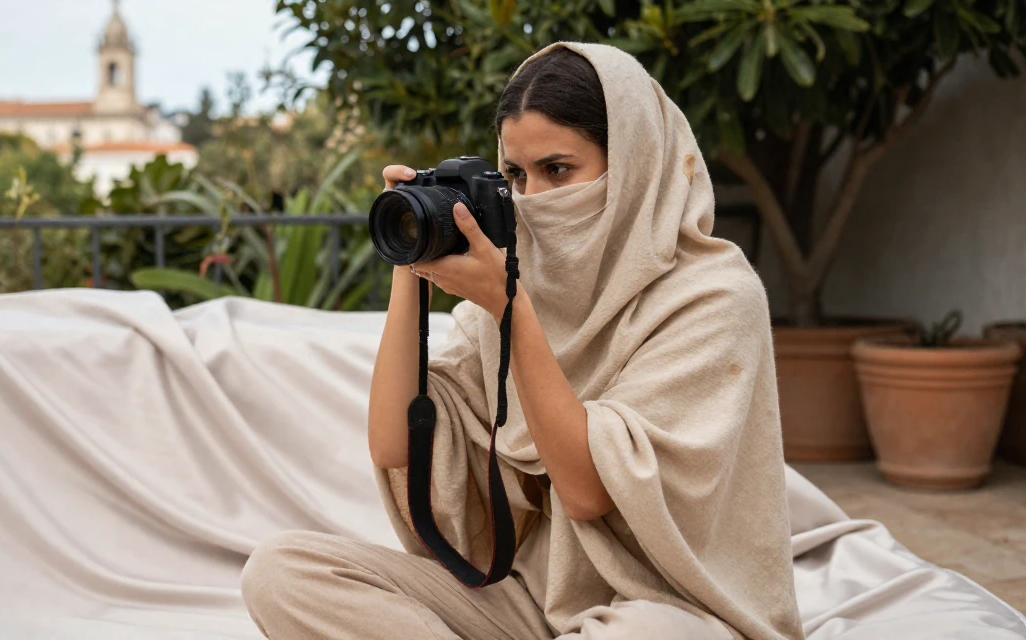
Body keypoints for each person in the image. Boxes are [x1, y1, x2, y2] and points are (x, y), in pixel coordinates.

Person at [242, 43, 802, 639]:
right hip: (533, 605)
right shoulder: (513, 282)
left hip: (676, 611)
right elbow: (394, 446)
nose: (532, 201)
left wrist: (511, 310)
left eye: (558, 170)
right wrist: (411, 260)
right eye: (515, 175)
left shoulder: (711, 296)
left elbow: (588, 493)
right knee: (282, 572)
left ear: (633, 165)